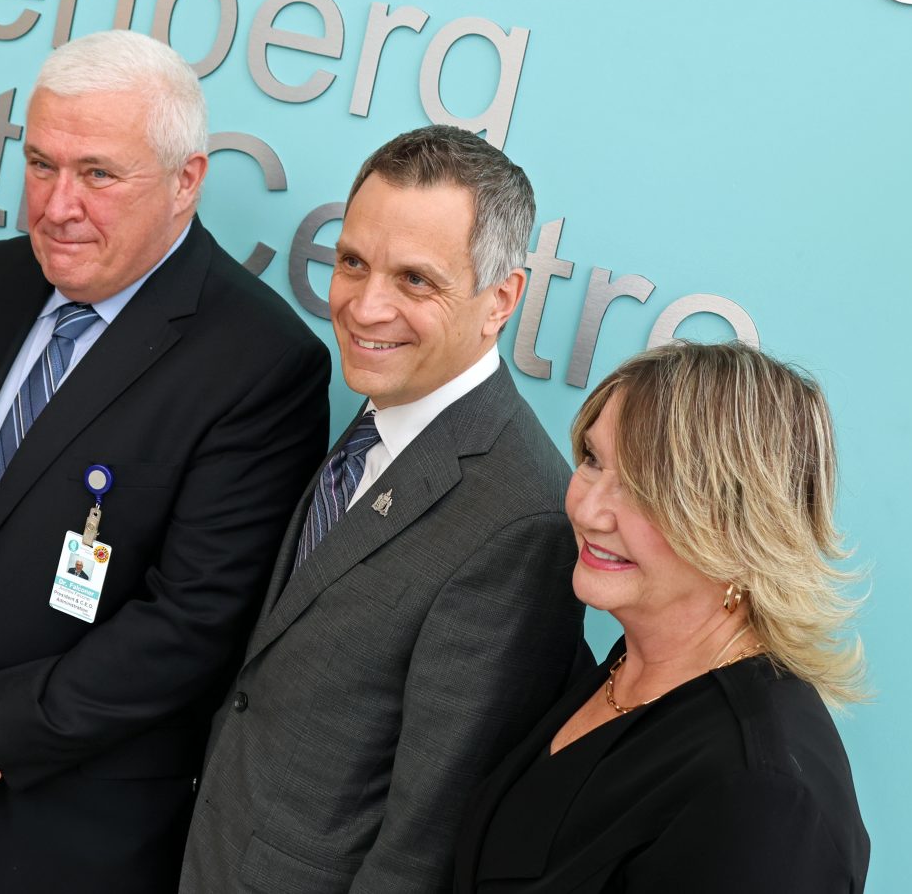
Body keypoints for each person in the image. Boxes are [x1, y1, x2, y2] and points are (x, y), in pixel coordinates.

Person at [0, 29, 332, 894]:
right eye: (41, 164)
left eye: (98, 174)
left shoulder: (261, 360)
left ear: (186, 180)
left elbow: (195, 621)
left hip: (78, 842)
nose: (56, 205)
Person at [181, 124, 585, 893]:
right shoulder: (385, 410)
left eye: (415, 281)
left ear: (500, 299)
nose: (365, 308)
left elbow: (428, 838)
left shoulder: (521, 520)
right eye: (354, 262)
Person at [453, 341, 870, 892]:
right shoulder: (635, 664)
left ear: (745, 526)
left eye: (647, 491)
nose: (589, 509)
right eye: (594, 460)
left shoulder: (763, 800)